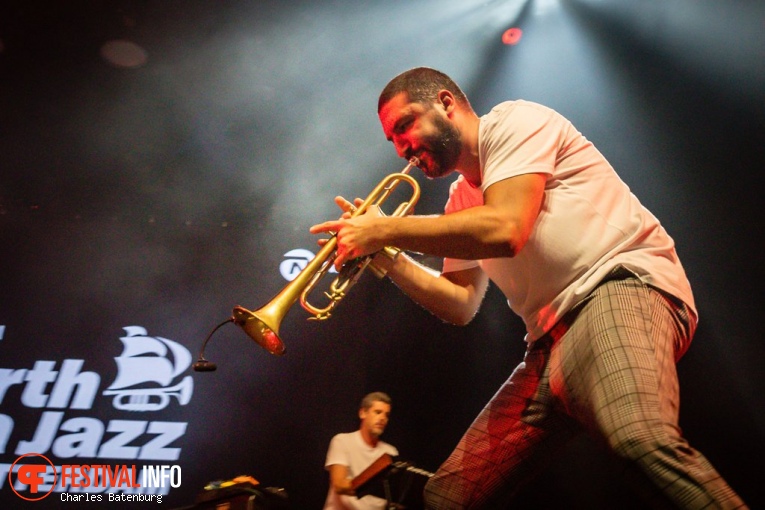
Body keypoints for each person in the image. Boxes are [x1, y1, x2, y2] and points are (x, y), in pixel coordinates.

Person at [310, 67, 747, 509]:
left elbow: (506, 228)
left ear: (446, 103)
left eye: (406, 125)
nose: (403, 147)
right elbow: (459, 303)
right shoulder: (461, 202)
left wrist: (383, 231)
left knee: (639, 440)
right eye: (394, 140)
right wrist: (386, 257)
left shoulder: (515, 122)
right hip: (547, 346)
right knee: (446, 497)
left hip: (617, 287)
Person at [324, 392, 399, 510]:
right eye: (378, 412)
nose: (383, 418)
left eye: (387, 415)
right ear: (363, 413)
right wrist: (374, 485)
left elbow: (394, 495)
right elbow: (339, 484)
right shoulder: (342, 441)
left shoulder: (391, 452)